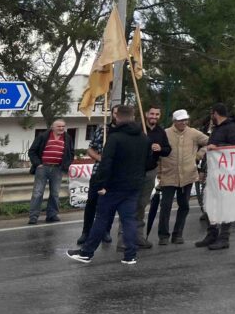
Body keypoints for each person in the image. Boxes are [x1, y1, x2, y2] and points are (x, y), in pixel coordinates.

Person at [66, 105, 150, 265]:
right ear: (133, 117)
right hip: (134, 185)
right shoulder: (144, 138)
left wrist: (101, 185)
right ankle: (130, 255)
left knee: (101, 219)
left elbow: (106, 163)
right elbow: (149, 162)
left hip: (113, 185)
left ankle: (86, 252)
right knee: (129, 220)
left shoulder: (115, 137)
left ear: (117, 117)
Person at [196, 103, 235, 251]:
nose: (211, 117)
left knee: (226, 205)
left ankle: (224, 237)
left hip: (228, 175)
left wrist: (219, 147)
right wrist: (203, 170)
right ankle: (212, 234)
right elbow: (210, 151)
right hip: (213, 173)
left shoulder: (234, 129)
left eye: (211, 114)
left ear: (215, 113)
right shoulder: (217, 129)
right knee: (210, 204)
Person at [157, 109, 209, 245]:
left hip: (187, 175)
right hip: (169, 174)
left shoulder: (193, 133)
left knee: (184, 205)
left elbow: (209, 142)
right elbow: (159, 152)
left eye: (185, 120)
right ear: (174, 121)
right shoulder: (165, 133)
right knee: (166, 206)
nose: (183, 123)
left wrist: (198, 155)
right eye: (180, 120)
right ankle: (163, 235)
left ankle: (178, 234)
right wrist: (159, 172)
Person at [131, 106, 171, 249]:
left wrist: (160, 149)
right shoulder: (136, 128)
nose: (154, 116)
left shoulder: (161, 131)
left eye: (157, 114)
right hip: (134, 171)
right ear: (146, 114)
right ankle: (124, 237)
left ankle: (138, 236)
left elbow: (168, 150)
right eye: (152, 113)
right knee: (130, 203)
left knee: (142, 204)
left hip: (150, 171)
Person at [27, 119, 74, 224]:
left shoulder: (67, 138)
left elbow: (71, 153)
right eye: (59, 126)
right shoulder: (43, 136)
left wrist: (66, 165)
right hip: (43, 168)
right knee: (38, 192)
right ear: (52, 127)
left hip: (57, 168)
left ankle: (52, 215)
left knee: (55, 193)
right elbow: (32, 151)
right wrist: (38, 164)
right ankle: (33, 216)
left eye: (63, 126)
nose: (61, 128)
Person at [77, 119, 115, 245]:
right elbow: (90, 149)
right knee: (91, 202)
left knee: (109, 204)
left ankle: (106, 231)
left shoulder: (124, 132)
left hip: (115, 174)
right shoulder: (102, 129)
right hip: (98, 172)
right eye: (115, 113)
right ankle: (86, 232)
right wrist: (99, 157)